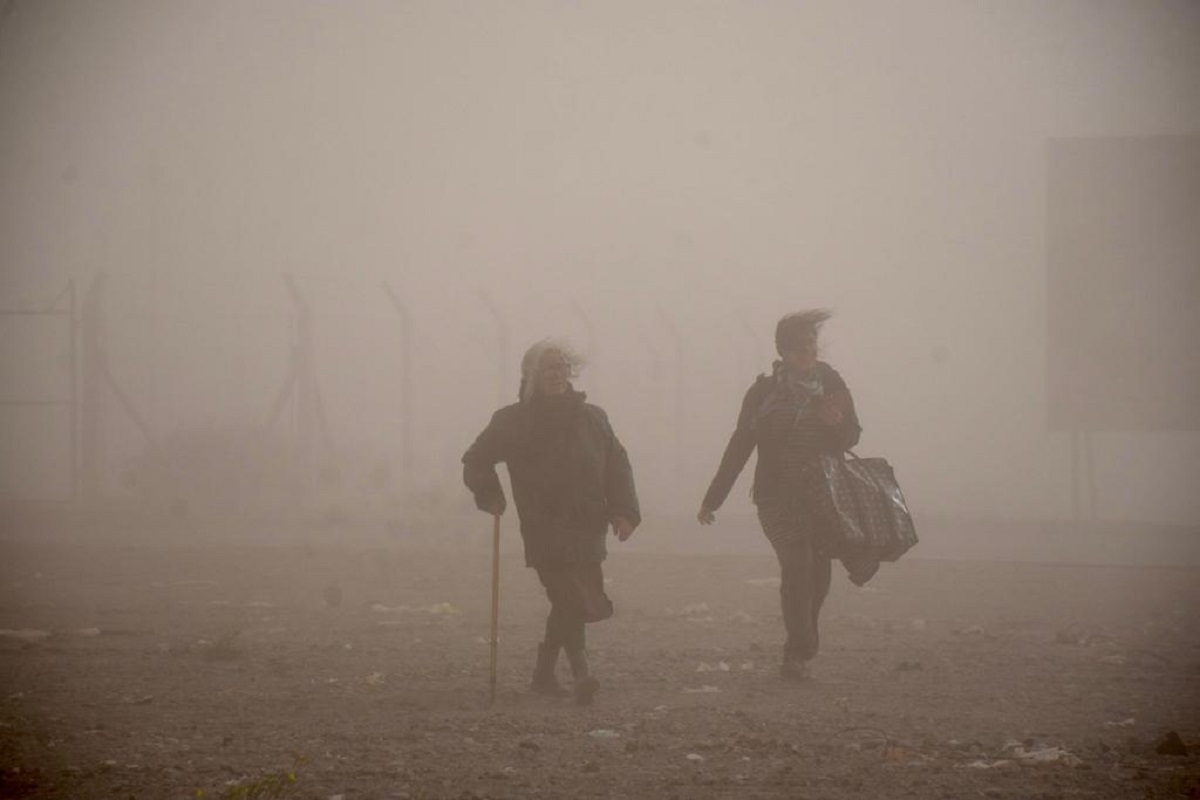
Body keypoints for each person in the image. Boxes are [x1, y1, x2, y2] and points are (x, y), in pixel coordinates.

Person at [462, 339, 640, 705]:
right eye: (547, 369)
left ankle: (543, 674)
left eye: (561, 368)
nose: (556, 375)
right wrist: (491, 495)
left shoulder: (593, 418)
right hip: (543, 526)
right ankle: (581, 673)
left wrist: (623, 511)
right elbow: (476, 459)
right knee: (568, 596)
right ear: (531, 375)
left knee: (573, 601)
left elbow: (617, 465)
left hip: (588, 524)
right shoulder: (512, 420)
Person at [697, 310, 861, 681]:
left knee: (819, 574)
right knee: (797, 565)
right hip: (776, 496)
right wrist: (713, 498)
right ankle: (797, 651)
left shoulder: (832, 385)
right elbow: (740, 446)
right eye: (800, 346)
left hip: (822, 495)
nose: (808, 352)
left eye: (812, 344)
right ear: (784, 351)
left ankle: (803, 639)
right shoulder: (763, 394)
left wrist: (838, 425)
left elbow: (852, 436)